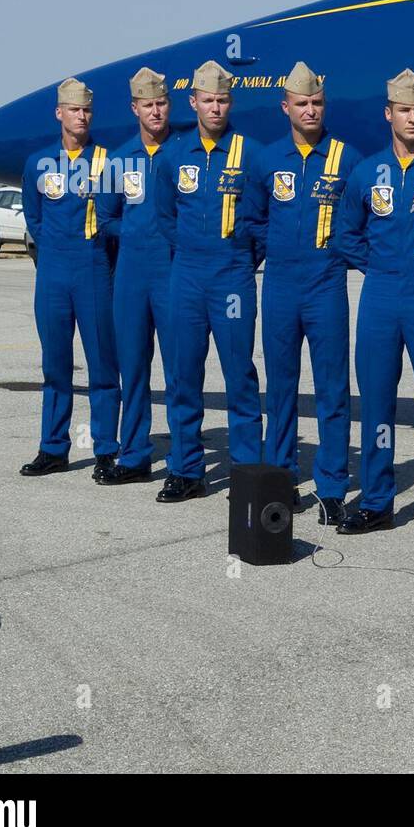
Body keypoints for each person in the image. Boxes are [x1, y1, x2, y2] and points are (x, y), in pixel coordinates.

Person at [333, 69, 414, 540]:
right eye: (404, 110)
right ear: (388, 113)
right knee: (376, 404)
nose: (412, 118)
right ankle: (376, 501)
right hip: (380, 298)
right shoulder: (367, 172)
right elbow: (345, 233)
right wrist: (379, 270)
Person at [154, 60, 267, 502]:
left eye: (222, 100)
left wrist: (237, 256)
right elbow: (166, 217)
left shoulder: (252, 155)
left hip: (233, 276)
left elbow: (261, 221)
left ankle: (245, 468)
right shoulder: (174, 155)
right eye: (208, 100)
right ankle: (186, 469)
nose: (215, 107)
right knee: (182, 373)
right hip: (186, 275)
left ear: (230, 102)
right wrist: (190, 249)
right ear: (193, 102)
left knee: (239, 374)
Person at [258, 62, 362, 523]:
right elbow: (252, 221)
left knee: (332, 390)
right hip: (280, 286)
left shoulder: (348, 160)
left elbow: (360, 221)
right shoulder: (267, 160)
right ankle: (280, 477)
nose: (310, 110)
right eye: (302, 103)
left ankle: (332, 486)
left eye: (317, 103)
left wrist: (339, 255)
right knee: (280, 388)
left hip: (325, 288)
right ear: (286, 107)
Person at [18, 77, 120, 480]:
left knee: (102, 366)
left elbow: (116, 222)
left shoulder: (109, 164)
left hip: (94, 271)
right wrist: (55, 253)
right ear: (59, 113)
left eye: (87, 111)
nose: (81, 116)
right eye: (74, 110)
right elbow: (34, 215)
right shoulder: (38, 163)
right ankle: (53, 448)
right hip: (53, 274)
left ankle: (106, 450)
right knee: (55, 366)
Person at [96, 67, 177, 485]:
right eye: (148, 105)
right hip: (131, 275)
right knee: (134, 367)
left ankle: (183, 459)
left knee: (180, 369)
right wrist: (129, 231)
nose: (157, 111)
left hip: (172, 274)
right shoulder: (118, 159)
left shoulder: (183, 153)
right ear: (135, 108)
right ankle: (134, 455)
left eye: (162, 103)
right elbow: (105, 219)